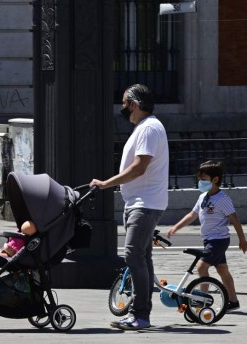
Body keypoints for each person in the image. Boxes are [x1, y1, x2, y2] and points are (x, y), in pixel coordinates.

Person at [90, 84, 169, 331]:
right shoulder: (146, 128)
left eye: (124, 103)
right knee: (142, 257)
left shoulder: (148, 129)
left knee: (133, 255)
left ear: (134, 104)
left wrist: (106, 184)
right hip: (140, 202)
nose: (122, 108)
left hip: (144, 204)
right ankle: (142, 312)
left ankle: (140, 314)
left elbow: (139, 167)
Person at [166, 160, 247, 312]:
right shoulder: (203, 197)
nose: (200, 182)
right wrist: (176, 227)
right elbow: (192, 214)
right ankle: (233, 301)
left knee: (201, 266)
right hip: (209, 240)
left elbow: (235, 220)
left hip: (218, 240)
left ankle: (202, 300)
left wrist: (242, 240)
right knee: (222, 270)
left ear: (215, 179)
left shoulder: (222, 199)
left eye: (203, 179)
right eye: (199, 179)